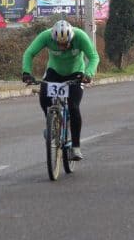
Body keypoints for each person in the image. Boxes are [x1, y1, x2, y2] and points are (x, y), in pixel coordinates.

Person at [22, 20, 100, 161]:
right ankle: (51, 124)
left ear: (71, 38)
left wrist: (88, 74)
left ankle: (75, 147)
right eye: (59, 44)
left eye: (65, 44)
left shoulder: (80, 36)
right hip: (54, 72)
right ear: (53, 38)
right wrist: (26, 72)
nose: (62, 47)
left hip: (76, 73)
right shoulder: (46, 36)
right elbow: (29, 53)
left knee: (74, 107)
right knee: (44, 96)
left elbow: (94, 57)